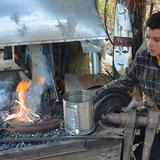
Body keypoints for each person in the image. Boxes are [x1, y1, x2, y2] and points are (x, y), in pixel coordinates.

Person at [96, 12, 160, 160]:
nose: (150, 44)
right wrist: (99, 93)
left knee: (145, 155)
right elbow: (124, 82)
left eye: (157, 40)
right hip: (149, 115)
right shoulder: (143, 58)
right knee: (116, 142)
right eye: (148, 37)